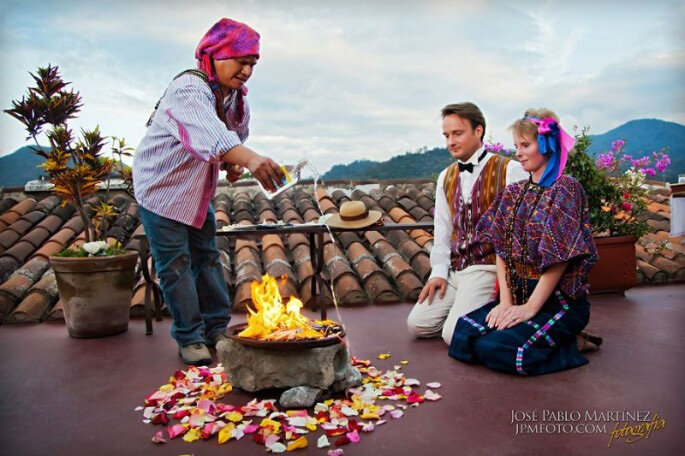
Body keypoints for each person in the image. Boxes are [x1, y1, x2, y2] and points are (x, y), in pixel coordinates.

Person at [133, 18, 286, 365]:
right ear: (214, 55)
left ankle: (217, 327)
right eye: (240, 61)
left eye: (252, 64)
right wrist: (250, 160)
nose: (247, 71)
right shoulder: (189, 89)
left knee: (206, 256)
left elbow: (230, 141)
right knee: (175, 264)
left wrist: (234, 163)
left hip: (195, 190)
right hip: (160, 189)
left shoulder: (234, 98)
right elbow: (209, 135)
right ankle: (189, 337)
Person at [448, 108, 600, 375]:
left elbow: (559, 257)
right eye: (516, 145)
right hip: (518, 295)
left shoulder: (566, 188)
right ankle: (545, 339)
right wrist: (505, 303)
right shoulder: (513, 192)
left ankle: (573, 344)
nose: (518, 152)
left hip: (559, 302)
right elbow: (500, 248)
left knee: (502, 349)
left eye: (525, 145)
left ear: (547, 146)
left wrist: (530, 308)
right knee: (462, 334)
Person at [407, 102, 528, 344]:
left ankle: (494, 313)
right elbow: (442, 230)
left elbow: (523, 229)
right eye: (446, 135)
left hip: (488, 268)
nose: (450, 141)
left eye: (457, 133)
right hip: (456, 269)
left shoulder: (510, 169)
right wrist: (438, 273)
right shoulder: (446, 176)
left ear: (478, 131)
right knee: (417, 325)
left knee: (452, 335)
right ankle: (473, 313)